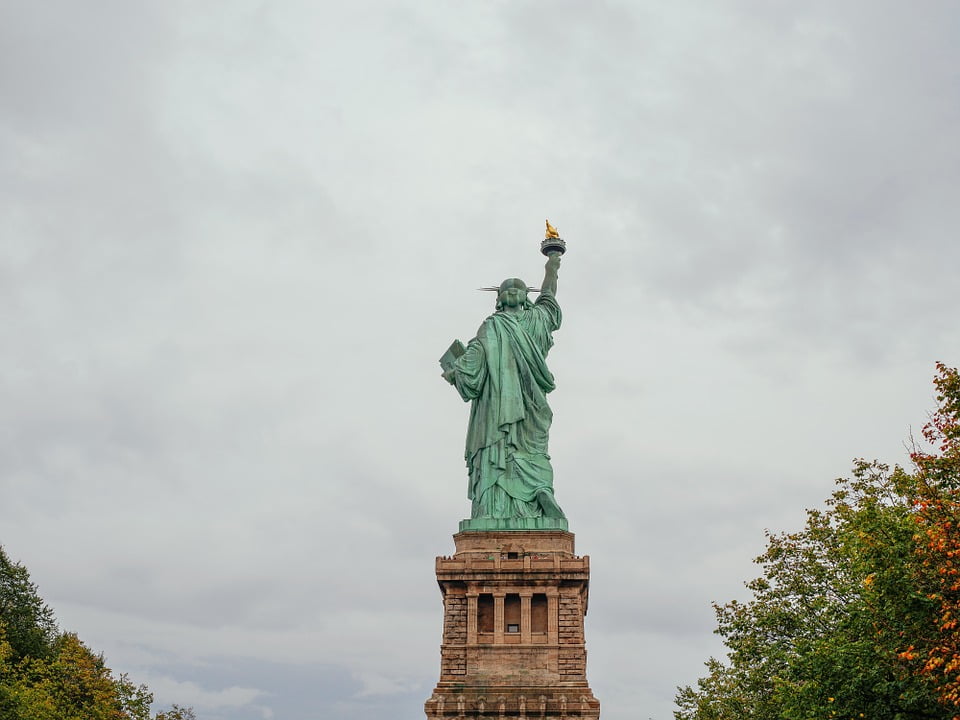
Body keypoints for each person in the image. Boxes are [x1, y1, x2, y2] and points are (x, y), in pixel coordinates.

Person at [443, 253, 565, 520]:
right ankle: (530, 494)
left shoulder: (533, 320)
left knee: (520, 448)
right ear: (499, 298)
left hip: (522, 401)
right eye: (507, 288)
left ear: (526, 297)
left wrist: (552, 263)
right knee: (516, 449)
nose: (512, 291)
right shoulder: (493, 326)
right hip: (501, 400)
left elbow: (548, 294)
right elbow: (474, 361)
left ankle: (531, 493)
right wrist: (458, 371)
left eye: (517, 288)